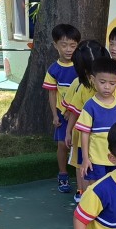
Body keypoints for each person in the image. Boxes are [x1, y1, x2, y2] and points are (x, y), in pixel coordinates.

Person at [61, 40, 110, 203]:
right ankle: (83, 194)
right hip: (83, 137)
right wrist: (68, 131)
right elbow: (74, 112)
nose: (93, 76)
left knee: (104, 167)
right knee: (82, 165)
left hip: (105, 139)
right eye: (89, 72)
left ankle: (100, 198)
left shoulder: (111, 87)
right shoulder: (82, 86)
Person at [73, 57, 116, 187]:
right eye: (102, 82)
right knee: (96, 188)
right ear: (93, 80)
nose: (107, 87)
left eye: (112, 83)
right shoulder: (90, 106)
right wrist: (85, 158)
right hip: (96, 159)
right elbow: (84, 134)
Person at [43, 23, 81, 195]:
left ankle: (83, 177)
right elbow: (52, 93)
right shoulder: (53, 69)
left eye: (73, 45)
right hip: (62, 114)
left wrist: (72, 110)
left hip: (80, 113)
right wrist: (55, 115)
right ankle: (63, 174)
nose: (68, 49)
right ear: (55, 45)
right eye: (64, 45)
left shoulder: (81, 67)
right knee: (62, 144)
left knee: (81, 144)